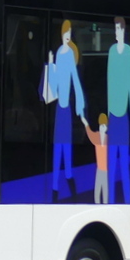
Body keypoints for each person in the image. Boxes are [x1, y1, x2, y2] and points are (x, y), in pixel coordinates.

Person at [41, 19, 86, 198]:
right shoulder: (61, 52)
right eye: (65, 35)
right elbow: (55, 85)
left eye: (69, 35)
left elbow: (75, 79)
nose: (66, 38)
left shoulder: (70, 55)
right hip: (60, 109)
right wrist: (51, 65)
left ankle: (68, 183)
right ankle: (56, 187)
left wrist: (81, 106)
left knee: (65, 148)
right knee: (57, 148)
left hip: (66, 110)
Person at [107, 17, 130, 203]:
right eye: (115, 29)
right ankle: (110, 202)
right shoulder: (111, 51)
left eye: (120, 29)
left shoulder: (128, 52)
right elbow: (109, 85)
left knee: (124, 168)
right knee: (111, 167)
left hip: (124, 119)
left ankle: (127, 203)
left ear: (124, 31)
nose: (117, 33)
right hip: (114, 118)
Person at [83, 113, 109, 203]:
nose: (103, 127)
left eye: (105, 126)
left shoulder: (108, 139)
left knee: (105, 191)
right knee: (97, 190)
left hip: (106, 170)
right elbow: (89, 132)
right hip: (99, 170)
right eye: (101, 125)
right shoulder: (96, 137)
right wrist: (85, 123)